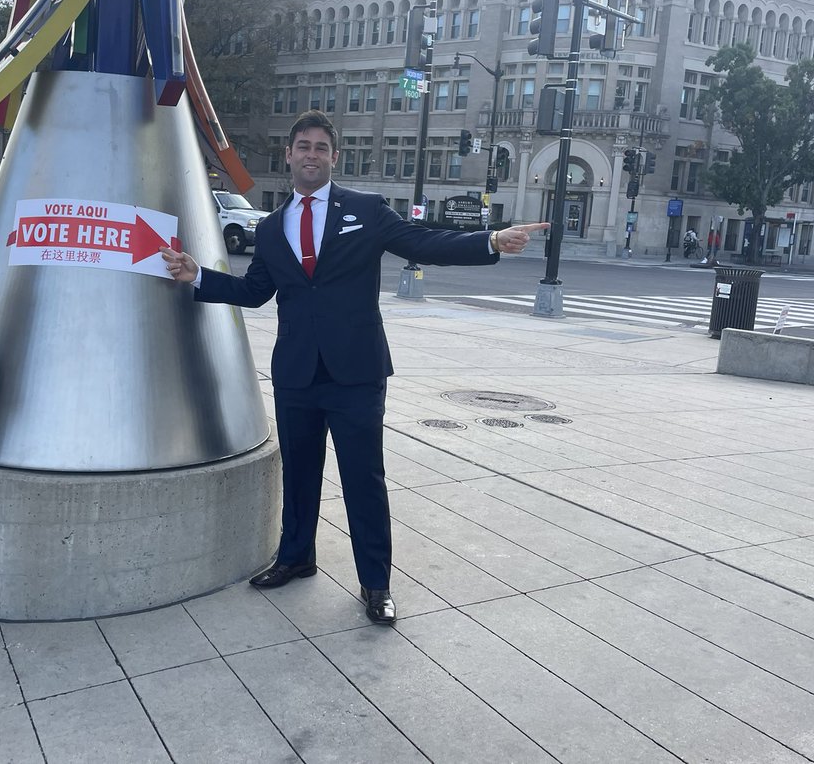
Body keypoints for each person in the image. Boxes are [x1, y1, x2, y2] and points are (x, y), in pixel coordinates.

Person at [161, 110, 546, 624]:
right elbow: (255, 293)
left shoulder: (366, 209)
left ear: (334, 157)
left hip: (356, 374)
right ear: (290, 155)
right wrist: (198, 277)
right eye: (304, 146)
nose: (311, 155)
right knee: (299, 474)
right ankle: (296, 557)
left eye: (321, 147)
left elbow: (421, 241)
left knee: (364, 478)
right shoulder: (272, 226)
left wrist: (490, 242)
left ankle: (375, 583)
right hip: (297, 373)